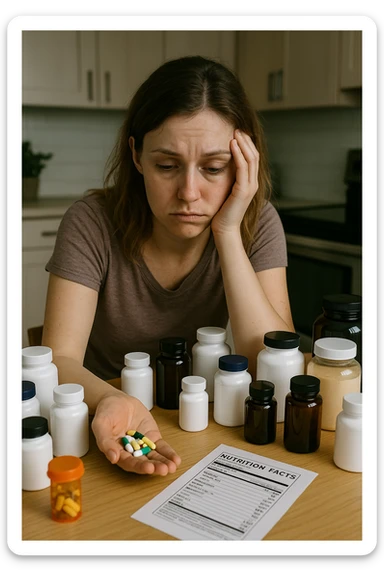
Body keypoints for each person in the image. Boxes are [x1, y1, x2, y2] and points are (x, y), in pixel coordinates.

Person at [42, 55, 295, 476]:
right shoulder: (91, 222)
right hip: (106, 414)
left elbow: (270, 358)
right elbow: (59, 357)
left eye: (214, 168)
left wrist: (228, 233)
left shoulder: (256, 221)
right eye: (166, 166)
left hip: (206, 420)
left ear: (242, 165)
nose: (189, 193)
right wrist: (111, 399)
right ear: (136, 155)